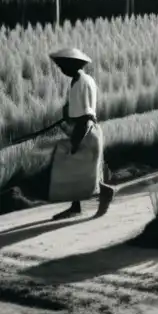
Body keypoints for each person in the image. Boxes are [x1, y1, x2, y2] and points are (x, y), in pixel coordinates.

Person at [48, 48, 115, 220]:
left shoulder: (80, 83)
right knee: (80, 170)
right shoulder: (86, 80)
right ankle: (76, 206)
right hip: (89, 128)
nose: (62, 69)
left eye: (64, 66)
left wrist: (76, 140)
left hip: (85, 130)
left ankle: (104, 192)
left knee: (74, 167)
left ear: (72, 65)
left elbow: (84, 116)